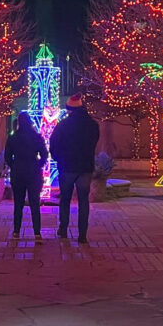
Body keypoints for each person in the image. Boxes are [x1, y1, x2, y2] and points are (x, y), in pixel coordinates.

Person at [49, 93, 100, 244]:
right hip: (85, 167)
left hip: (67, 166)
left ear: (69, 109)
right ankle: (82, 234)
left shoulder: (63, 125)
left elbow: (53, 143)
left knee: (65, 198)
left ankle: (63, 229)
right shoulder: (92, 125)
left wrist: (58, 158)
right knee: (83, 200)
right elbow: (94, 143)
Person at [4, 112, 48, 241]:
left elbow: (7, 157)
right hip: (33, 172)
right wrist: (38, 165)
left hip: (18, 172)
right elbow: (44, 154)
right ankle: (37, 233)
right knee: (35, 203)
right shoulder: (36, 137)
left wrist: (14, 166)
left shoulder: (13, 138)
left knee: (18, 203)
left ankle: (17, 231)